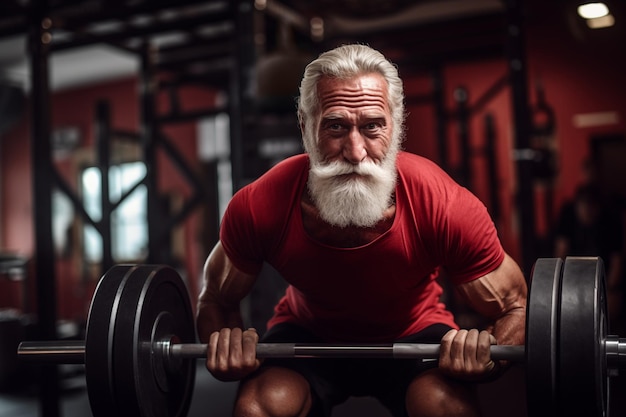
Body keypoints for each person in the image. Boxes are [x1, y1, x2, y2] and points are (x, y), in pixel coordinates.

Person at [196, 44, 527, 417]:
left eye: (372, 127)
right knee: (257, 408)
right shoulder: (259, 205)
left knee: (445, 409)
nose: (355, 152)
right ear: (306, 126)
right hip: (308, 335)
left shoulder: (445, 205)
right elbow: (215, 301)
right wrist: (222, 347)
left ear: (396, 125)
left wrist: (488, 358)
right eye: (336, 126)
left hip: (414, 332)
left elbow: (516, 306)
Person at [554, 183, 624, 326]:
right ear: (577, 206)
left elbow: (617, 261)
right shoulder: (568, 218)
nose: (587, 210)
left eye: (591, 206)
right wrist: (559, 286)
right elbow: (560, 254)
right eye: (583, 205)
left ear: (598, 208)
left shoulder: (611, 221)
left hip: (603, 280)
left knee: (612, 307)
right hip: (574, 279)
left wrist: (610, 289)